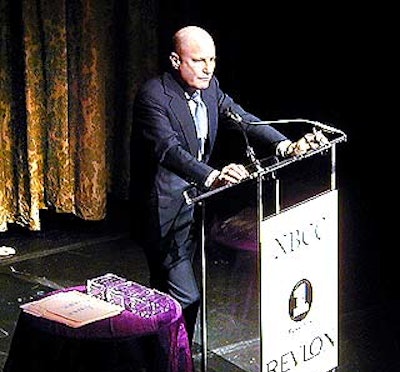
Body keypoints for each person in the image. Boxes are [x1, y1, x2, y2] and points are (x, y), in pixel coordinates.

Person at [130, 25, 328, 344]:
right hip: (161, 210)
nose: (207, 68)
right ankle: (172, 364)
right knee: (185, 296)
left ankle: (162, 364)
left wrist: (285, 146)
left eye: (212, 60)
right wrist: (212, 176)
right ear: (174, 60)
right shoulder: (153, 96)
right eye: (198, 60)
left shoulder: (211, 88)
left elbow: (242, 118)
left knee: (164, 293)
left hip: (194, 206)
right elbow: (168, 150)